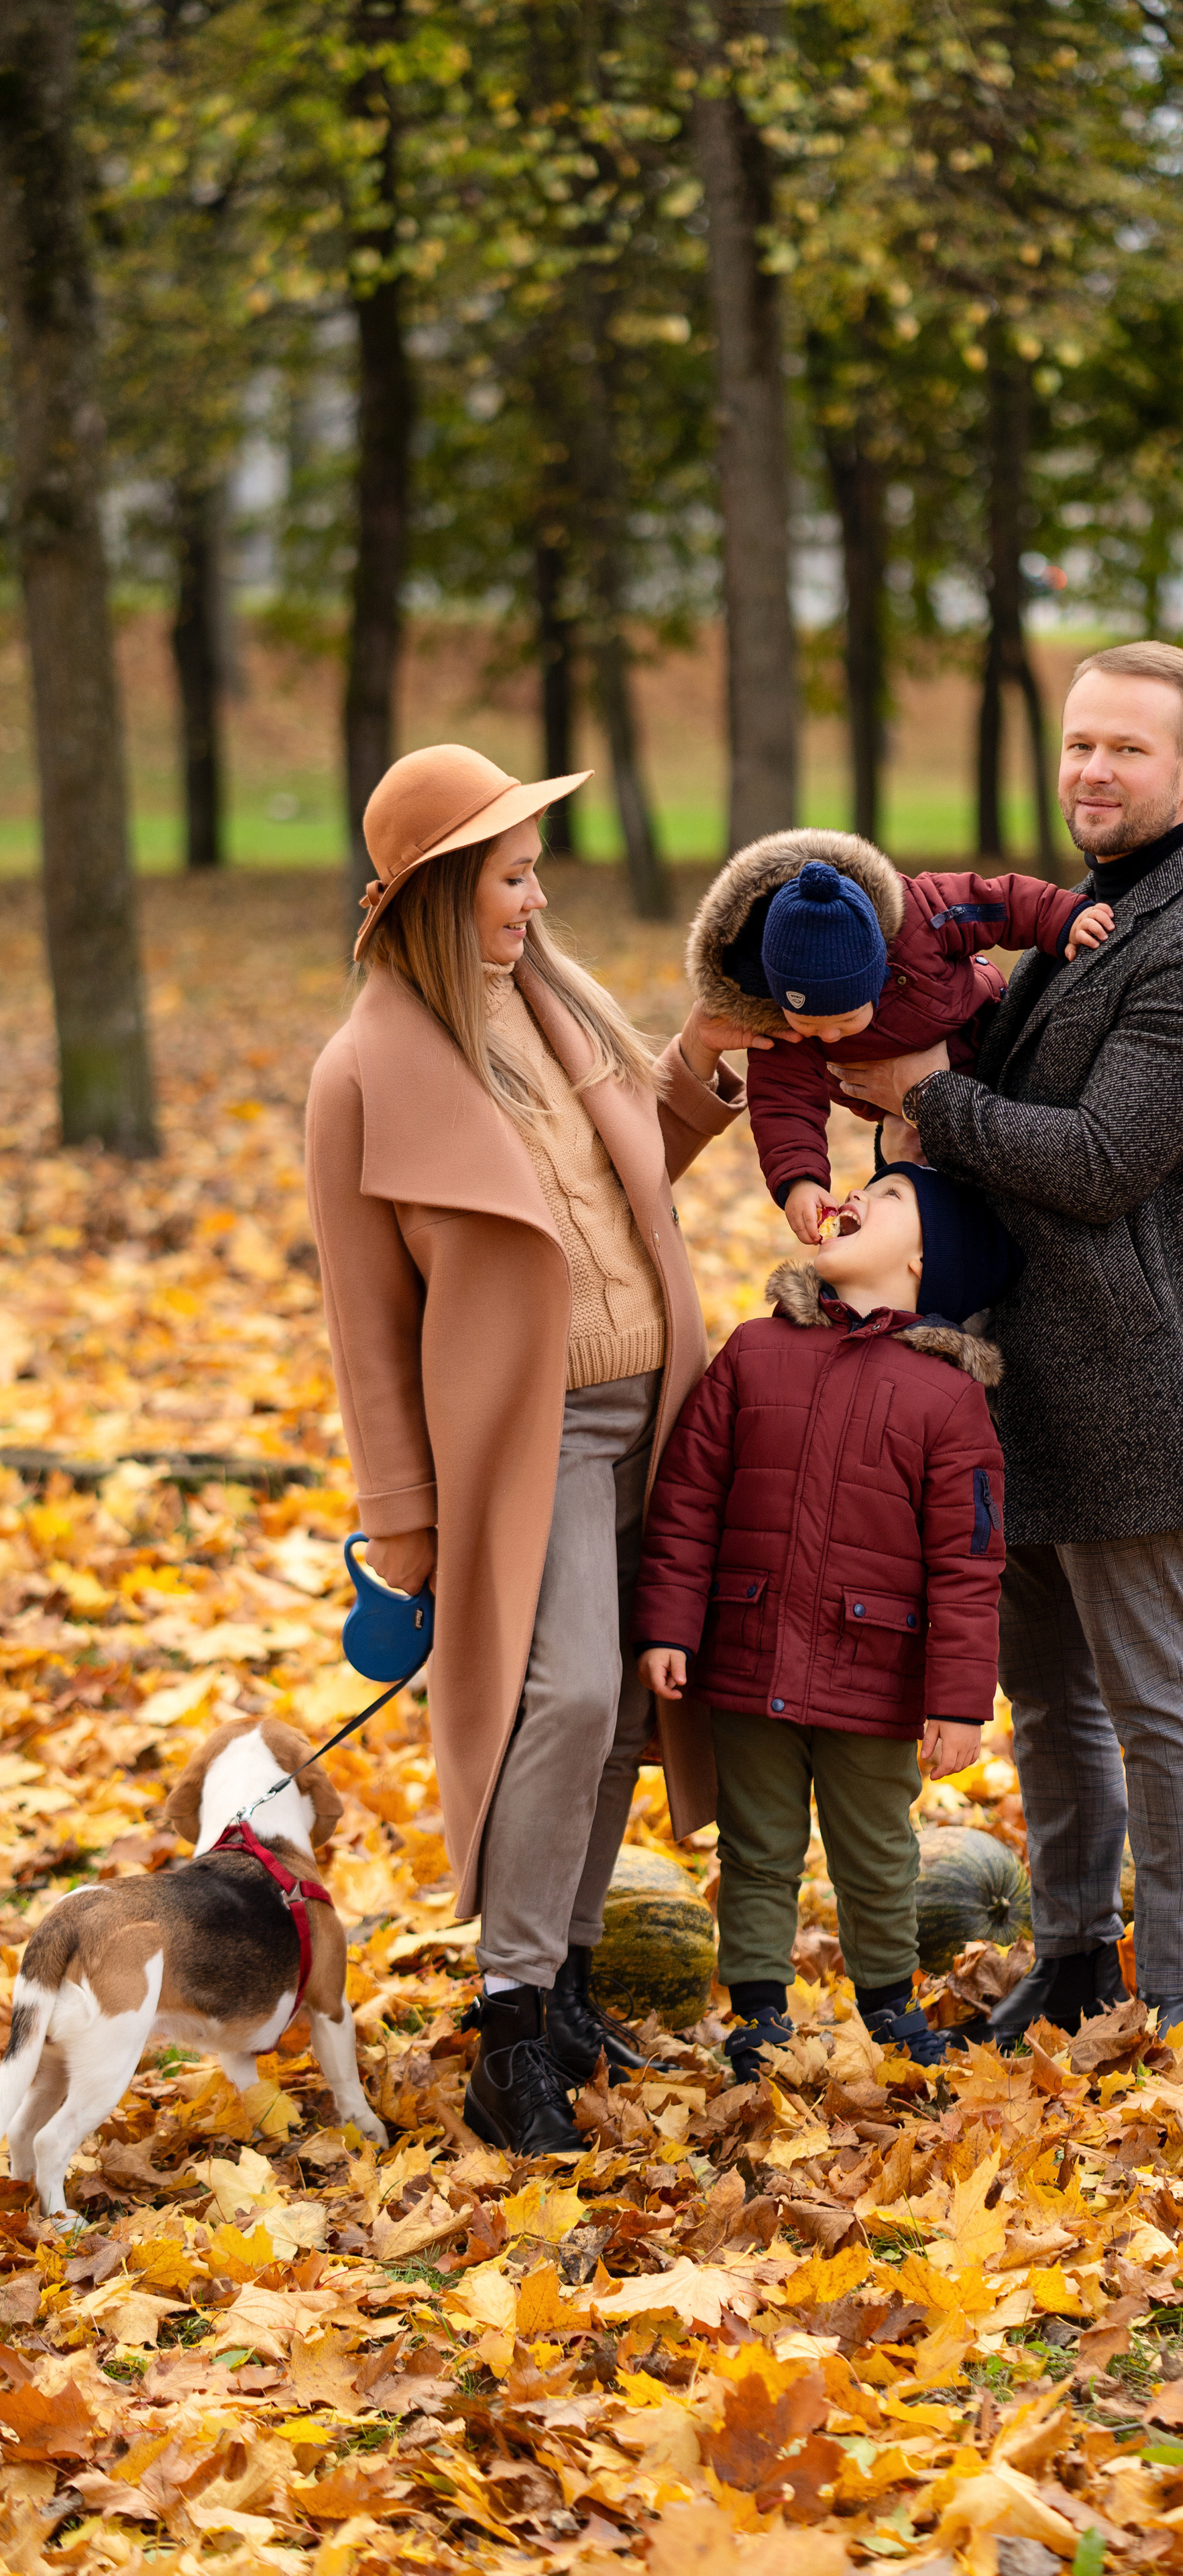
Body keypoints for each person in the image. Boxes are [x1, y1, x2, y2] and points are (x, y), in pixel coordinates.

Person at [304, 743, 763, 2154]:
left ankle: (560, 1984)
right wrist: (401, 1517)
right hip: (533, 1440)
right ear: (443, 889)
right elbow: (368, 1327)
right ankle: (510, 2032)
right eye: (509, 875)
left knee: (629, 1695)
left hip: (661, 1409)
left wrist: (694, 1071)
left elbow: (619, 1198)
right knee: (559, 1697)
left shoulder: (555, 1013)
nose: (534, 896)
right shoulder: (363, 1077)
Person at [832, 643, 1183, 2042]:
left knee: (1151, 1697)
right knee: (1047, 1697)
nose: (1091, 771)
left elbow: (1097, 1161)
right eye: (1078, 744)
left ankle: (1171, 1991)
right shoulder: (1088, 915)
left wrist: (919, 1096)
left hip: (1127, 1371)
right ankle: (1076, 1953)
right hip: (1010, 1365)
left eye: (1126, 750)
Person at [631, 1164, 1015, 2080]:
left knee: (877, 1851)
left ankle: (889, 2003)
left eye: (887, 1198)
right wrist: (669, 1627)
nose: (853, 1198)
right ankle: (758, 2014)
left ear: (928, 1258)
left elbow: (969, 1561)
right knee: (757, 1846)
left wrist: (957, 1703)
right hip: (749, 1652)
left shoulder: (947, 1398)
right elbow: (688, 1498)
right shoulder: (755, 1352)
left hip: (873, 1672)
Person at [685, 832, 1113, 1241]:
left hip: (984, 1037)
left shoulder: (922, 917)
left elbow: (996, 902)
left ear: (877, 976)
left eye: (845, 1019)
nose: (828, 1035)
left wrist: (1064, 918)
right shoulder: (782, 1026)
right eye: (810, 1025)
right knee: (909, 1175)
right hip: (900, 1111)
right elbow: (782, 1100)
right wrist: (800, 1179)